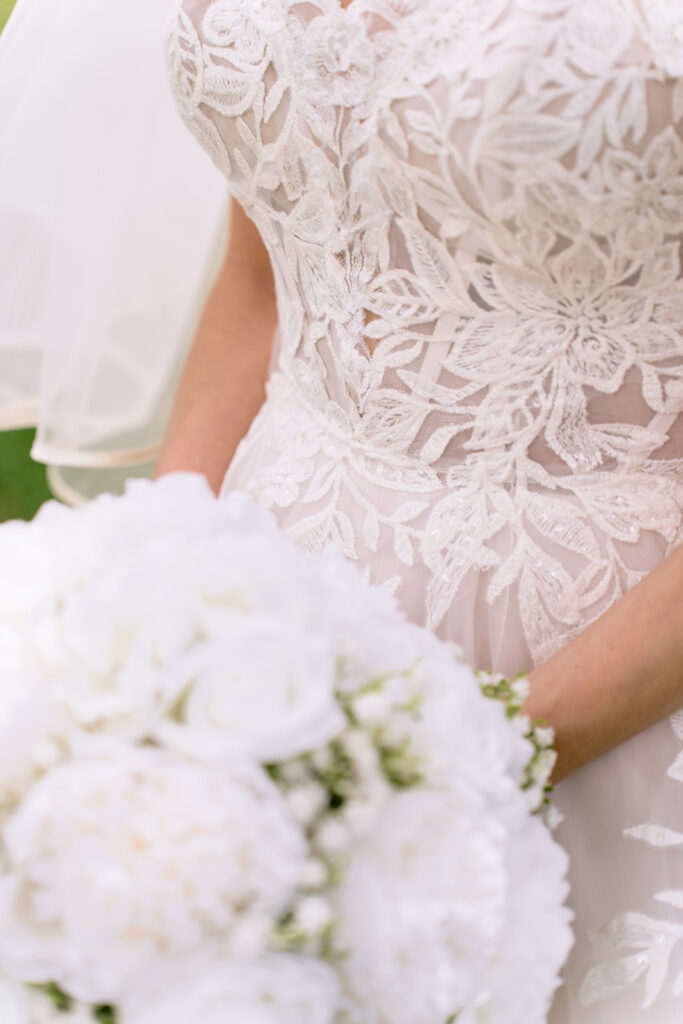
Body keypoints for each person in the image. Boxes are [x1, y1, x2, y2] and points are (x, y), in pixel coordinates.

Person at [155, 1, 683, 1019]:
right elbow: (266, 269)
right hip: (272, 605)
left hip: (614, 687)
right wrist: (156, 589)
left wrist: (477, 750)